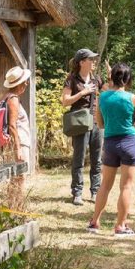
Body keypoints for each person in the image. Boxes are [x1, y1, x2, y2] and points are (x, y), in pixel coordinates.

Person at [88, 63, 135, 236]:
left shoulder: (102, 97)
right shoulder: (132, 97)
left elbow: (100, 123)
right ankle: (120, 226)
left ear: (111, 77)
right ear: (128, 79)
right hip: (128, 141)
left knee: (105, 185)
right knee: (126, 186)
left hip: (110, 143)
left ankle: (94, 222)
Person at [61, 48, 102, 206]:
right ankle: (77, 193)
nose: (94, 62)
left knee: (96, 160)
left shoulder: (97, 78)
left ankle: (95, 192)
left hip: (97, 123)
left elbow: (109, 90)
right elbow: (65, 101)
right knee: (78, 159)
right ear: (81, 62)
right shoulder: (72, 79)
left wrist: (113, 78)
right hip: (80, 123)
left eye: (94, 59)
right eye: (91, 59)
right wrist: (83, 92)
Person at [2, 66, 32, 202]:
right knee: (20, 176)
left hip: (15, 143)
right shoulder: (13, 99)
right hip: (18, 143)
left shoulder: (7, 97)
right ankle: (17, 207)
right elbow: (12, 125)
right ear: (18, 84)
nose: (26, 83)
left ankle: (12, 207)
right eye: (25, 81)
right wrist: (18, 148)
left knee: (16, 176)